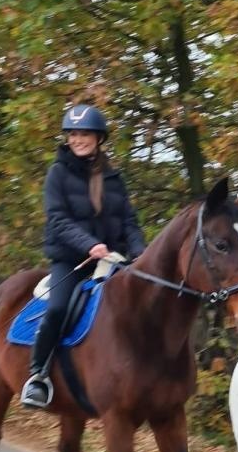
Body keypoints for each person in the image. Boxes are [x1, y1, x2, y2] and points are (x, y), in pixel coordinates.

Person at [20, 104, 146, 410]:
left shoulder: (113, 178)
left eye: (85, 134)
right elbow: (58, 220)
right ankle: (38, 375)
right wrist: (90, 245)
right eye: (73, 134)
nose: (78, 139)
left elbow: (128, 221)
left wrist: (141, 255)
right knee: (57, 309)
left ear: (98, 138)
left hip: (112, 260)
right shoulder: (57, 174)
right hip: (72, 260)